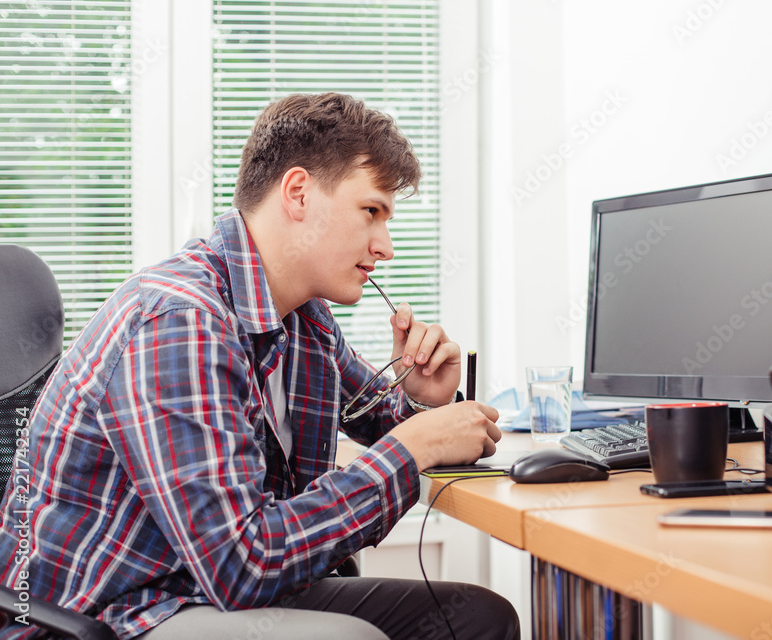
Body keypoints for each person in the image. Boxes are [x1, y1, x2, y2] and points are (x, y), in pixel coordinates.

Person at [0, 92, 519, 639]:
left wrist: (423, 400)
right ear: (297, 193)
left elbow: (386, 423)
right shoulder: (179, 320)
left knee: (478, 619)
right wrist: (417, 446)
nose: (385, 246)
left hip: (205, 588)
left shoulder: (303, 316)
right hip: (110, 612)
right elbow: (243, 565)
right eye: (371, 211)